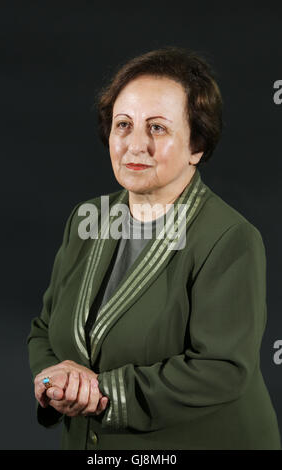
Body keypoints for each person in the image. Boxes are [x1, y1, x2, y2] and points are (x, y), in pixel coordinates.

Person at [27, 46, 281, 450]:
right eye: (123, 124)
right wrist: (53, 379)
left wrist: (98, 389)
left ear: (196, 145)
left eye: (158, 128)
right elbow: (44, 330)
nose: (135, 144)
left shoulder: (230, 238)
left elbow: (220, 368)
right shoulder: (85, 219)